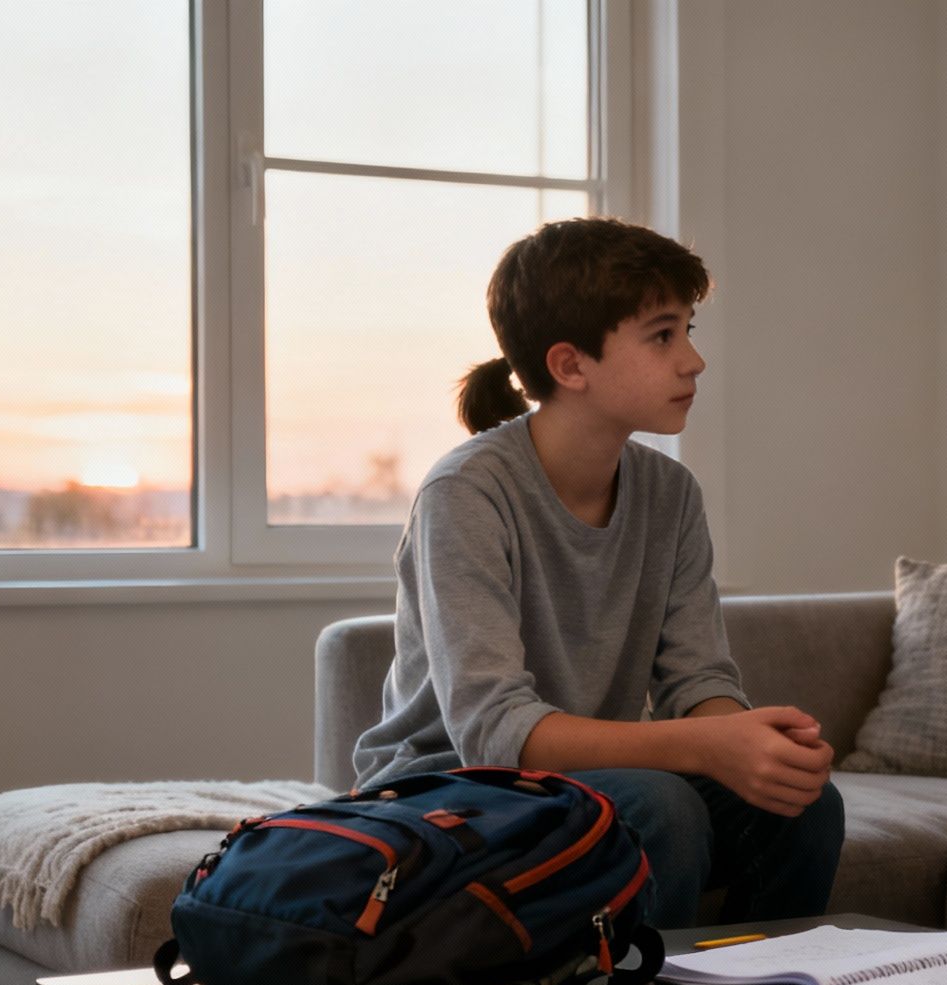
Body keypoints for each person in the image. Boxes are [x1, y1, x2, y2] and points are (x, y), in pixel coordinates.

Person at [355, 217, 844, 928]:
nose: (694, 361)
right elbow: (493, 730)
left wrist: (747, 745)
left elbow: (698, 679)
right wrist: (702, 747)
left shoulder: (671, 494)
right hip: (442, 789)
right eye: (663, 335)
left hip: (587, 782)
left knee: (800, 803)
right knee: (657, 804)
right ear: (570, 366)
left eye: (689, 330)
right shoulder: (466, 492)